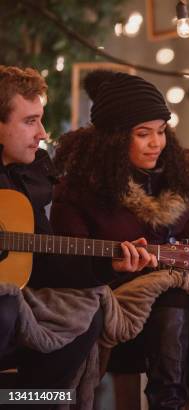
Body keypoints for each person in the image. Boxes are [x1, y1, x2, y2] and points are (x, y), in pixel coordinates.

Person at [50, 70, 189, 410]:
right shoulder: (78, 191)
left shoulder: (177, 184)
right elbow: (66, 270)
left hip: (170, 304)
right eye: (143, 134)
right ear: (113, 139)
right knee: (174, 301)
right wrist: (110, 268)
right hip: (110, 303)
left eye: (161, 132)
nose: (157, 143)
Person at [0, 65, 103, 404]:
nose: (42, 133)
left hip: (21, 295)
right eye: (30, 121)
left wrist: (112, 267)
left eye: (41, 119)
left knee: (90, 306)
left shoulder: (33, 174)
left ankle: (30, 401)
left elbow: (44, 261)